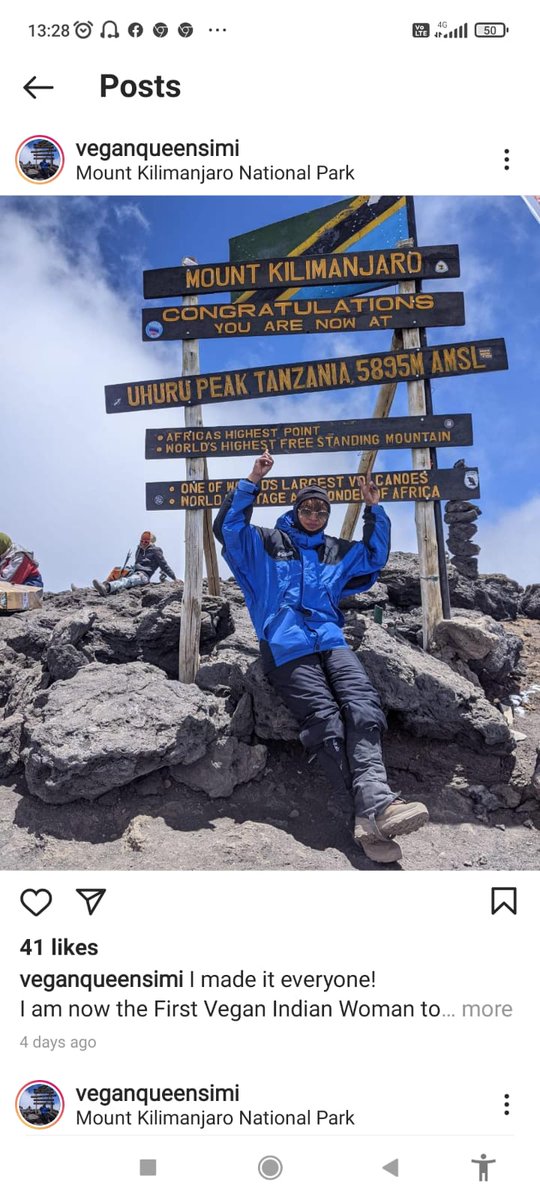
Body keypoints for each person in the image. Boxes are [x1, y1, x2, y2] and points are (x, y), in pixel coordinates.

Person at [214, 451, 429, 864]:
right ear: (295, 510)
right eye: (307, 507)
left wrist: (374, 509)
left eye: (322, 509)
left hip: (331, 639)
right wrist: (252, 480)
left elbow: (374, 557)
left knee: (364, 708)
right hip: (284, 644)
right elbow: (228, 527)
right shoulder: (264, 542)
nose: (314, 514)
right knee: (327, 722)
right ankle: (371, 813)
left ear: (327, 516)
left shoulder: (335, 550)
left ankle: (376, 810)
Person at [93, 531, 176, 595]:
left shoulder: (156, 550)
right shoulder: (139, 550)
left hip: (143, 575)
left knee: (127, 580)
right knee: (116, 570)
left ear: (151, 542)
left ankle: (107, 587)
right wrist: (139, 549)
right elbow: (137, 562)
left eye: (146, 542)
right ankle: (103, 585)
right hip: (134, 571)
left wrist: (174, 578)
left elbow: (164, 565)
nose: (143, 543)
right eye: (142, 541)